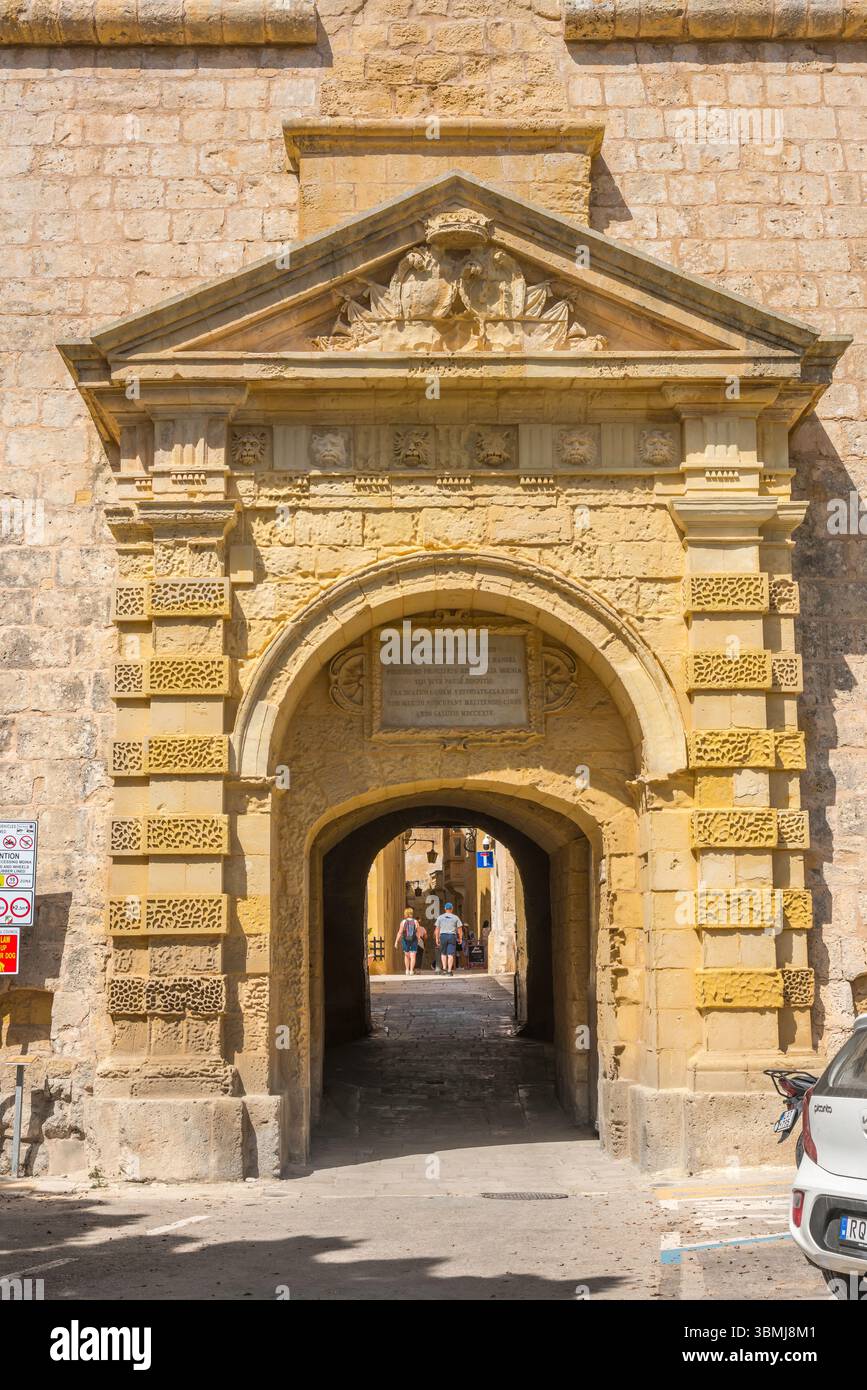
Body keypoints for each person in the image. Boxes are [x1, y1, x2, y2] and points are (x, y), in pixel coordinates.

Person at [434, 902, 463, 976]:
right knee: (450, 954)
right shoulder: (456, 917)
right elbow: (460, 929)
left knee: (443, 953)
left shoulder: (440, 917)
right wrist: (460, 938)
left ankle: (444, 969)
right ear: (452, 909)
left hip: (443, 936)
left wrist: (437, 938)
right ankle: (449, 971)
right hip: (451, 936)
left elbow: (437, 929)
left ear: (445, 909)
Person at [395, 908, 420, 976]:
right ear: (411, 913)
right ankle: (411, 970)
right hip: (414, 940)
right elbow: (418, 931)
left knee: (406, 955)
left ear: (405, 914)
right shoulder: (415, 921)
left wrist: (396, 941)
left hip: (405, 940)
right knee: (413, 956)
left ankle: (407, 970)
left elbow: (400, 932)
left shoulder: (403, 922)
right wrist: (419, 938)